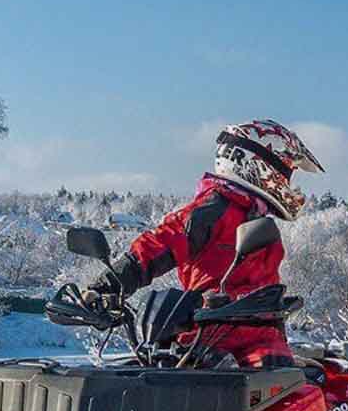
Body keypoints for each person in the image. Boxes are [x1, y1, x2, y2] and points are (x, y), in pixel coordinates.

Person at [85, 120, 323, 367]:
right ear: (258, 164)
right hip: (210, 340)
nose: (287, 181)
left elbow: (262, 288)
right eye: (286, 171)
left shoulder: (257, 221)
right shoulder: (213, 210)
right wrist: (108, 285)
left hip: (260, 343)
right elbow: (161, 243)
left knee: (303, 388)